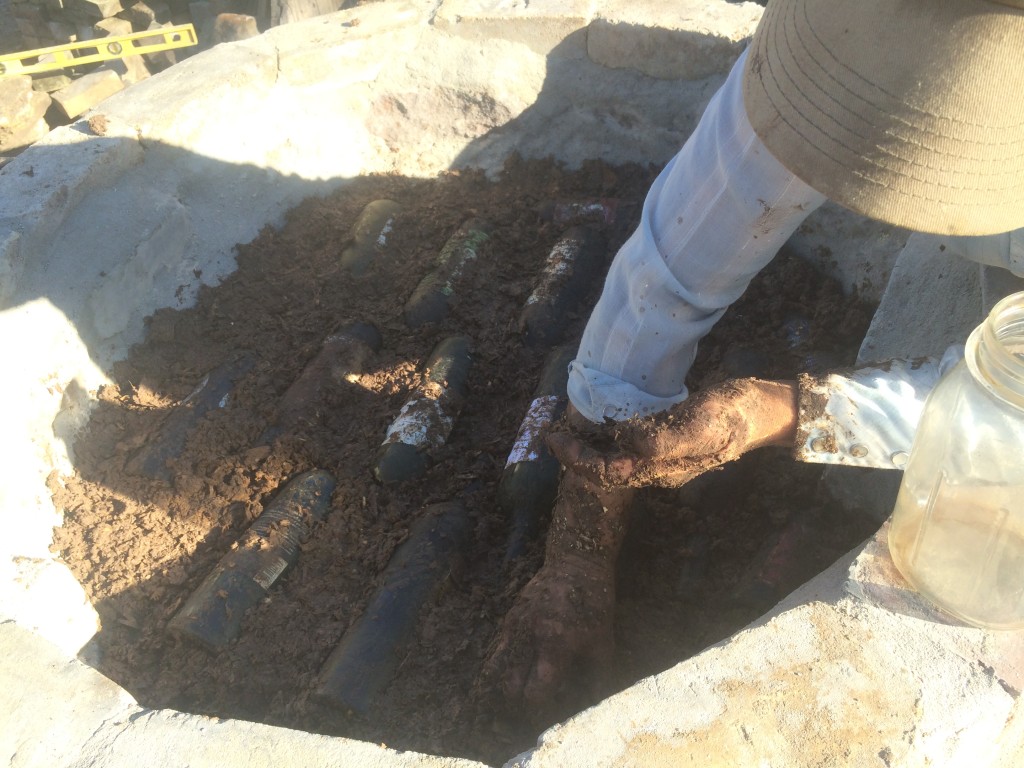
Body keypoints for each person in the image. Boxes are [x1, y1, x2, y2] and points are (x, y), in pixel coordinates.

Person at [480, 0, 1024, 712]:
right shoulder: (842, 40)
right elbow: (677, 258)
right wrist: (578, 553)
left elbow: (1007, 408)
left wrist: (777, 413)